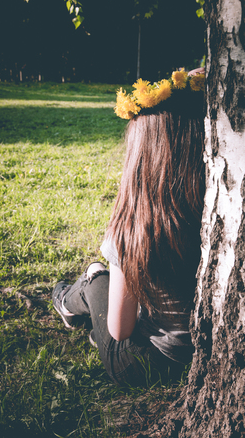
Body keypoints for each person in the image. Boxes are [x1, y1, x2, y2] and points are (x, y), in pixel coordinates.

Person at [52, 68, 205, 387]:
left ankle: (67, 299)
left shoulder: (133, 227)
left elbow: (120, 331)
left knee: (97, 278)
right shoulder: (219, 214)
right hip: (208, 355)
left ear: (139, 155)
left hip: (146, 365)